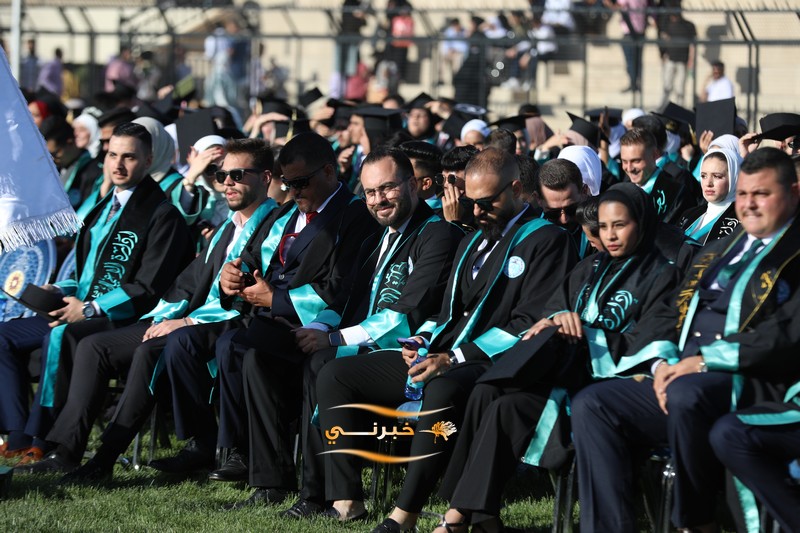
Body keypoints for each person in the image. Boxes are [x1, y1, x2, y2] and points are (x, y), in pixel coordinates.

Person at [314, 147, 577, 531]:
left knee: (442, 388)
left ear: (517, 189)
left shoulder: (546, 240)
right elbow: (446, 310)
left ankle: (406, 513)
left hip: (496, 359)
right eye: (472, 203)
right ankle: (346, 497)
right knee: (336, 375)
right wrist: (420, 341)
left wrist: (452, 357)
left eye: (487, 202)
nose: (477, 212)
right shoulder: (474, 241)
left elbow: (527, 322)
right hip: (444, 351)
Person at [571, 147, 800, 532]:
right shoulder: (719, 249)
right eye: (743, 194)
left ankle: (693, 522)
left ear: (793, 194)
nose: (748, 204)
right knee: (593, 403)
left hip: (757, 382)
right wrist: (661, 365)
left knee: (687, 393)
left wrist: (704, 362)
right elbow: (669, 311)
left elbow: (786, 334)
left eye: (762, 194)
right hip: (687, 377)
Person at [20, 139, 278, 477]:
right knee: (93, 345)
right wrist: (164, 315)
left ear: (266, 177)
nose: (227, 182)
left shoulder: (274, 225)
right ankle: (66, 451)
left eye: (238, 175)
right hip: (190, 320)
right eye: (220, 174)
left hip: (232, 325)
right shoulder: (229, 228)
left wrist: (184, 321)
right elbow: (188, 283)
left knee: (147, 351)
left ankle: (104, 459)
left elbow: (247, 297)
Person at [435, 180, 682, 533]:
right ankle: (477, 516)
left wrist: (584, 331)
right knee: (495, 396)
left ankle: (458, 519)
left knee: (506, 402)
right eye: (604, 227)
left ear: (641, 224)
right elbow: (548, 315)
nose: (610, 236)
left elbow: (653, 344)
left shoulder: (664, 276)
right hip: (565, 377)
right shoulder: (589, 268)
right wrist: (552, 322)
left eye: (620, 225)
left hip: (609, 389)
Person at [255, 148, 463, 516]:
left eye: (387, 188)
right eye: (369, 192)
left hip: (413, 351)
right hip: (369, 347)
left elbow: (407, 311)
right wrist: (320, 327)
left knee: (331, 368)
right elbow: (349, 300)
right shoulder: (377, 240)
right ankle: (316, 493)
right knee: (313, 361)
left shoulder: (438, 235)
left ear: (413, 185)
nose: (378, 199)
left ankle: (344, 497)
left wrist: (336, 338)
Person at [165, 132, 379, 487]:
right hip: (263, 317)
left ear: (329, 172)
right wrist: (230, 279)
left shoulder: (355, 216)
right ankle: (241, 455)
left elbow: (341, 287)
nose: (294, 191)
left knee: (241, 348)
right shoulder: (285, 214)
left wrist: (275, 300)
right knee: (225, 344)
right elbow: (249, 259)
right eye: (288, 183)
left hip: (316, 324)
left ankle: (253, 461)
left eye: (301, 182)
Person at [2, 123, 193, 464]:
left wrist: (89, 309)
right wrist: (57, 290)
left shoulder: (164, 216)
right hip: (78, 308)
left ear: (149, 160)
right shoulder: (103, 207)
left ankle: (42, 440)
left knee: (64, 335)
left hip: (123, 319)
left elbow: (147, 289)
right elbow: (85, 274)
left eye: (129, 157)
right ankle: (17, 433)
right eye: (112, 155)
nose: (118, 165)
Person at [620, 127, 700, 224]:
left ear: (654, 155)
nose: (629, 168)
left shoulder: (676, 194)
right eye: (624, 161)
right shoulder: (622, 191)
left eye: (636, 161)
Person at [678, 146, 741, 245]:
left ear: (735, 178)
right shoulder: (690, 213)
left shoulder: (741, 222)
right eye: (703, 176)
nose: (708, 183)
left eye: (717, 176)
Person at [659, 12, 696, 108]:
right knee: (667, 86)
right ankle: (663, 106)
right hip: (670, 59)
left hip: (682, 60)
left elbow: (693, 44)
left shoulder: (688, 25)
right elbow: (663, 41)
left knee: (680, 87)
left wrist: (691, 59)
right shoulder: (667, 25)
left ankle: (679, 108)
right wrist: (663, 55)